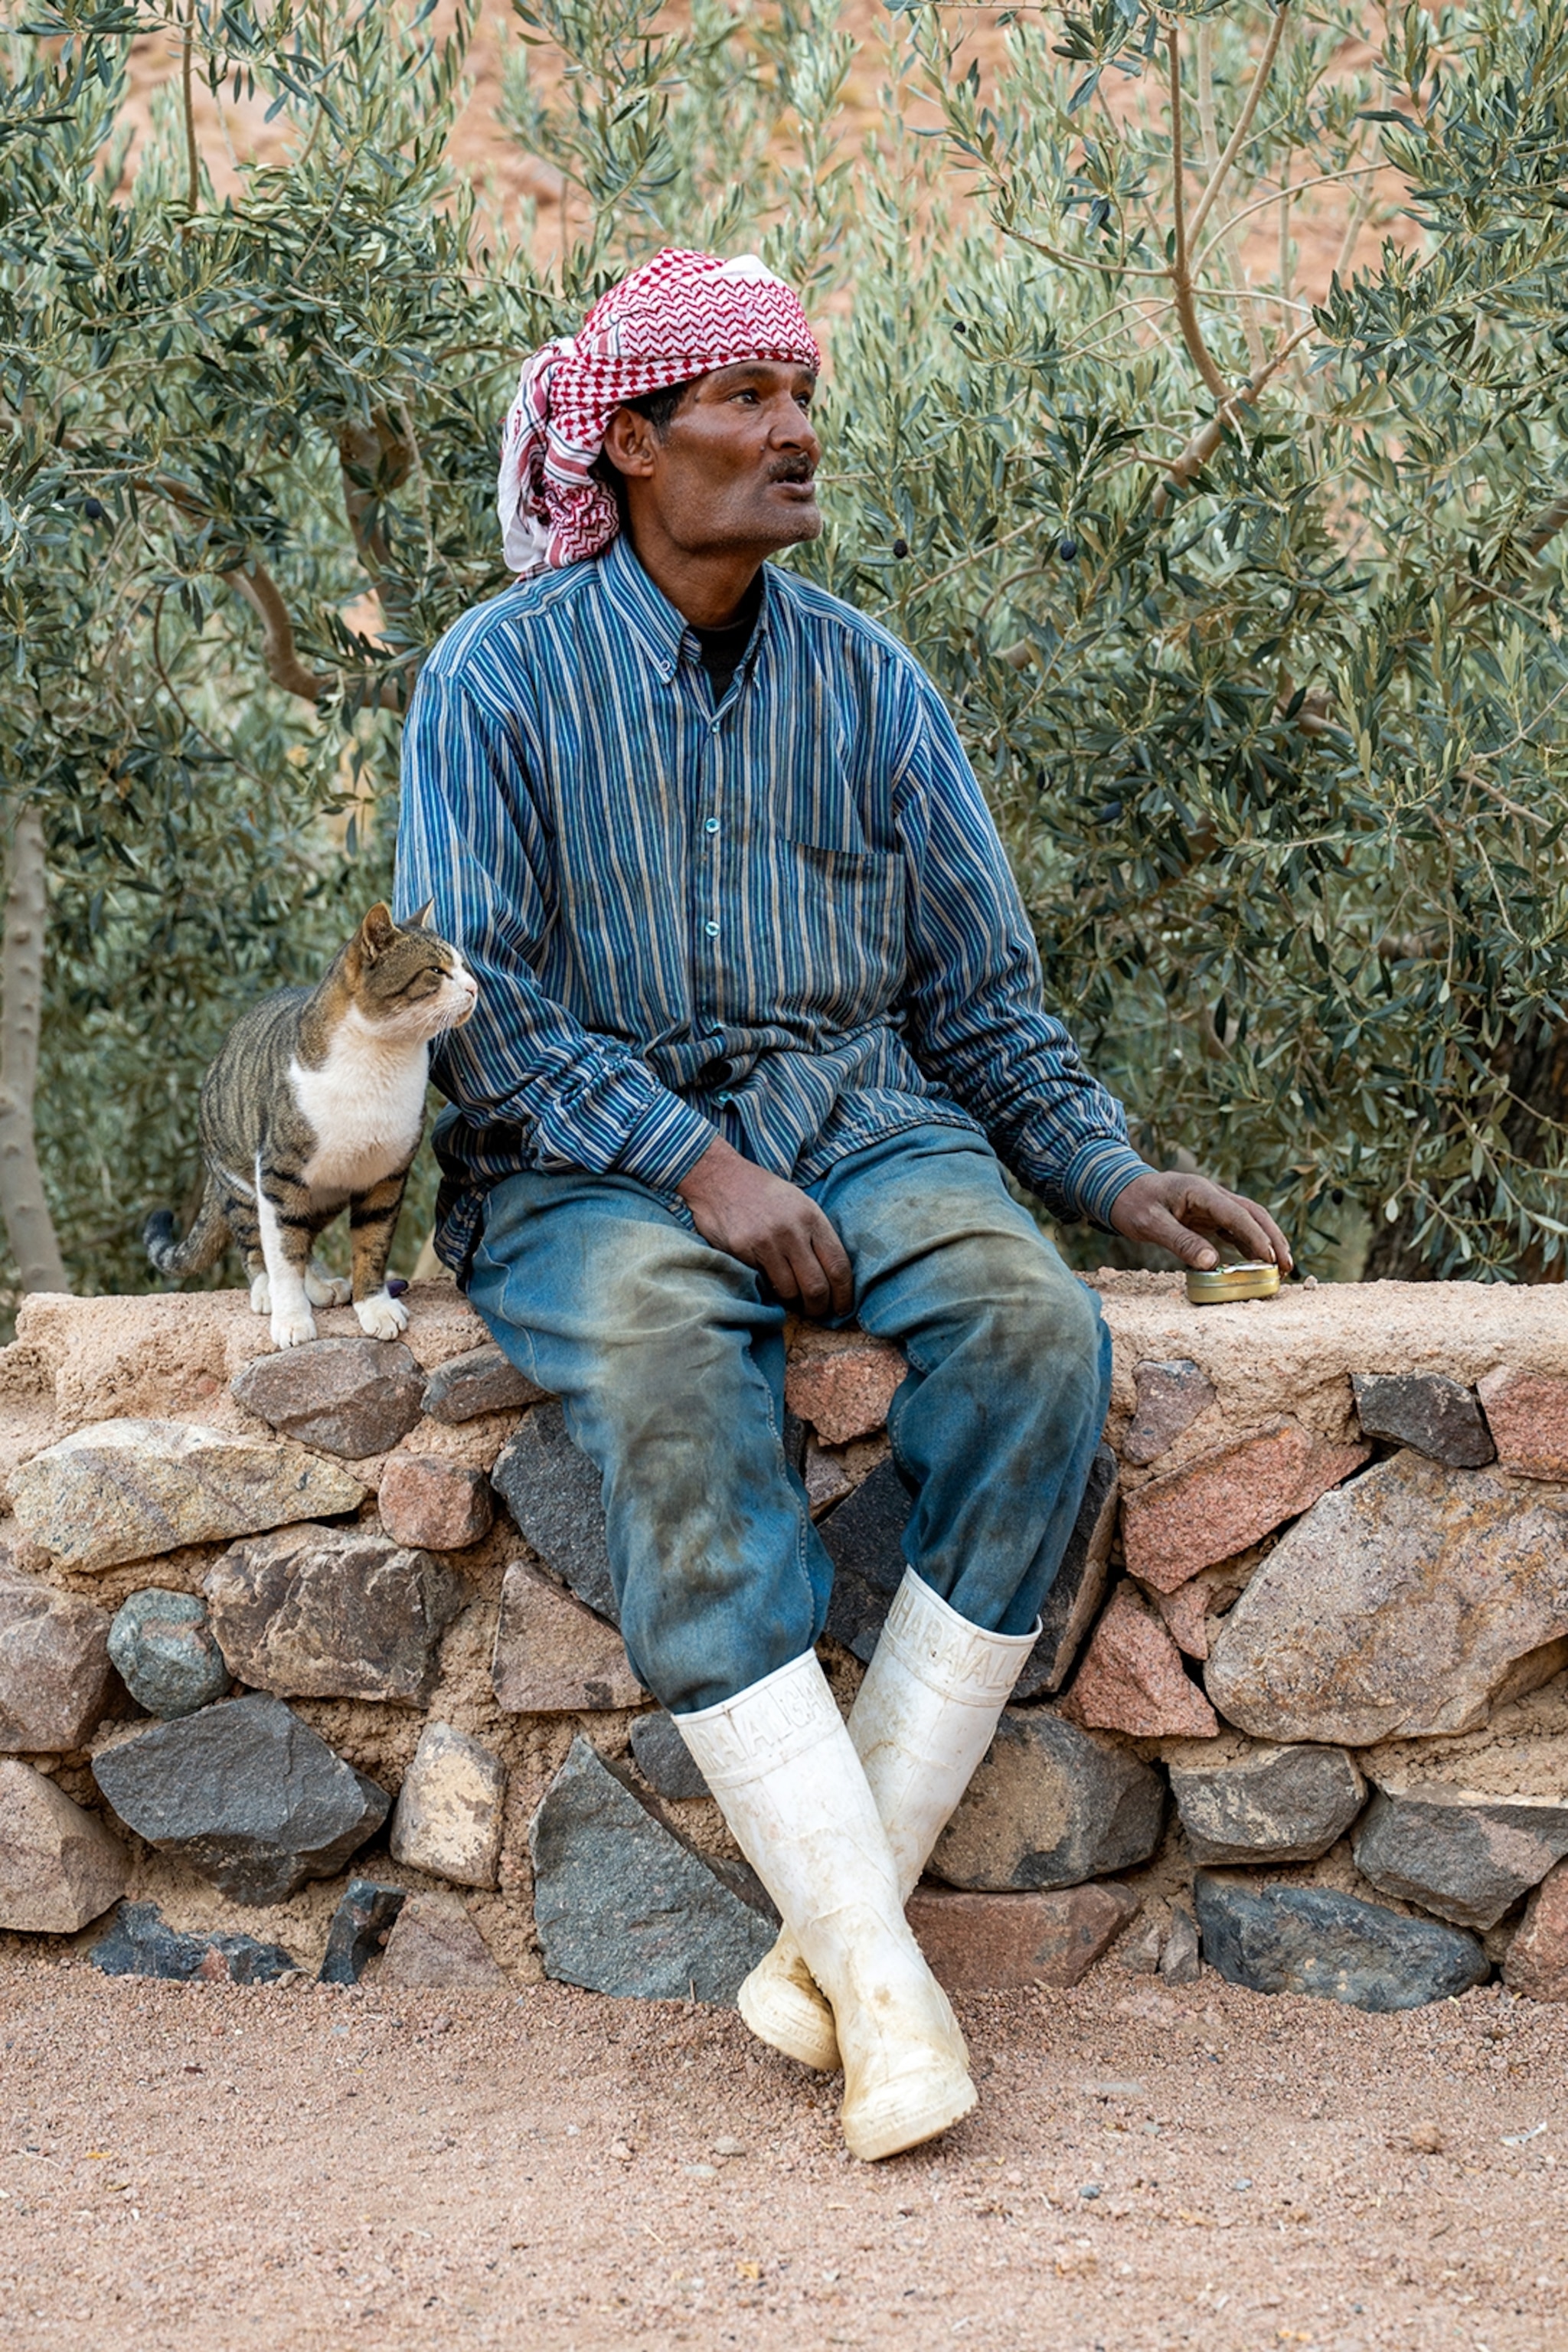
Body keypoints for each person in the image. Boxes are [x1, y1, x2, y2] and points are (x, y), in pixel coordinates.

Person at [394, 247, 1290, 2164]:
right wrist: (698, 1169)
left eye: (801, 393)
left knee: (1036, 1336)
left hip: (866, 1124)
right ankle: (887, 1994)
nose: (794, 429)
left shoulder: (871, 681)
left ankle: (831, 1945)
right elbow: (477, 1006)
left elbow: (981, 1006)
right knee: (670, 1372)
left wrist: (1109, 1170)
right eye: (744, 397)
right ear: (629, 443)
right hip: (582, 1164)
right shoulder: (493, 677)